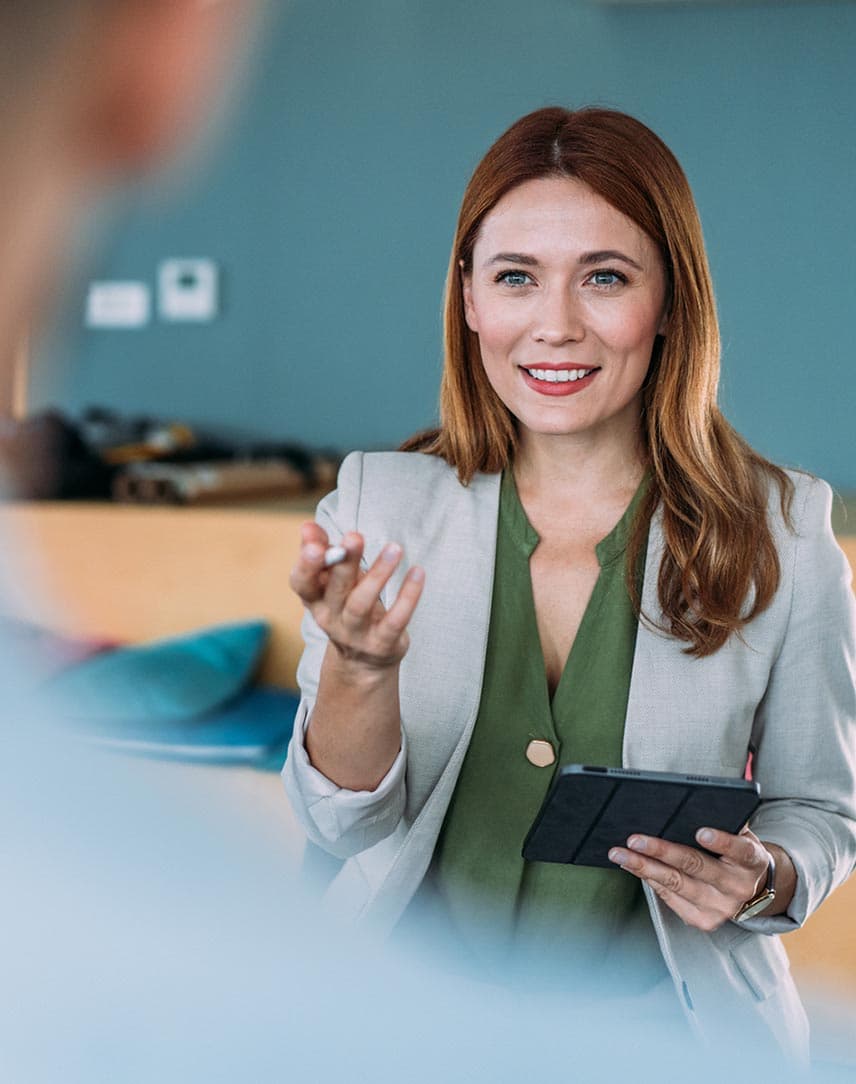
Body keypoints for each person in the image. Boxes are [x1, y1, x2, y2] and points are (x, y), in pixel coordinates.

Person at [284, 106, 856, 1060]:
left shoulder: (787, 532)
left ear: (671, 299)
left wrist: (766, 879)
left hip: (666, 1042)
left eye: (605, 278)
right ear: (469, 299)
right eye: (516, 278)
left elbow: (823, 812)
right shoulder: (377, 505)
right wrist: (358, 666)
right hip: (391, 1028)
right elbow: (340, 824)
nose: (556, 326)